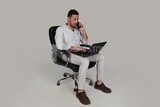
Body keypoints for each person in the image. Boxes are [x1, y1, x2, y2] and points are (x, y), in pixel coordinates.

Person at [55, 9, 112, 105]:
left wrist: (83, 30)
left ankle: (99, 83)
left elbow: (85, 41)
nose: (76, 21)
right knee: (85, 61)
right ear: (68, 18)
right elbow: (59, 46)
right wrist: (74, 48)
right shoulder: (61, 29)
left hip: (80, 53)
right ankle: (80, 91)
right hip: (68, 54)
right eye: (74, 19)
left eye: (77, 19)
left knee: (101, 57)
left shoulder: (77, 30)